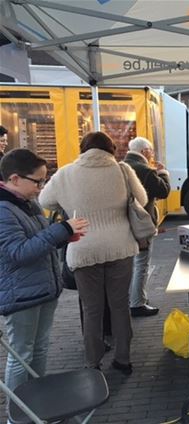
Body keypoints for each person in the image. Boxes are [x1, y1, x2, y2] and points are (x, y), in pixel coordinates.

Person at [39, 131, 147, 375]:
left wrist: (70, 204)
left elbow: (45, 201)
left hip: (83, 247)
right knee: (120, 306)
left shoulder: (66, 173)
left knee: (92, 309)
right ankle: (123, 359)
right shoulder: (123, 170)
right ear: (111, 149)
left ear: (83, 148)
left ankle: (92, 362)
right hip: (120, 247)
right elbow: (141, 198)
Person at [0, 149, 88, 394]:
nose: (41, 187)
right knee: (21, 355)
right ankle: (19, 416)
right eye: (37, 181)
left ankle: (37, 406)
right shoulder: (4, 209)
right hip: (21, 295)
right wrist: (60, 230)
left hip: (41, 289)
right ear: (15, 179)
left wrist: (64, 237)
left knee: (39, 349)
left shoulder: (26, 204)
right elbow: (18, 252)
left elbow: (38, 241)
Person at [123, 137, 171, 317]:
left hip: (124, 224)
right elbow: (163, 191)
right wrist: (163, 172)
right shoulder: (144, 170)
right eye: (150, 151)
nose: (152, 155)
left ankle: (130, 298)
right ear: (144, 152)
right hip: (141, 224)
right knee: (142, 264)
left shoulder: (120, 167)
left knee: (128, 264)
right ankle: (137, 302)